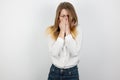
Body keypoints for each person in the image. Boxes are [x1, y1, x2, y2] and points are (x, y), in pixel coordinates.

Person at [46, 2, 82, 80]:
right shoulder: (51, 31)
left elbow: (75, 52)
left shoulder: (78, 30)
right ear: (58, 17)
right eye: (63, 16)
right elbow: (54, 53)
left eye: (68, 16)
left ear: (72, 17)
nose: (66, 19)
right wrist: (62, 32)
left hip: (72, 73)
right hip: (54, 72)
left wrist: (68, 31)